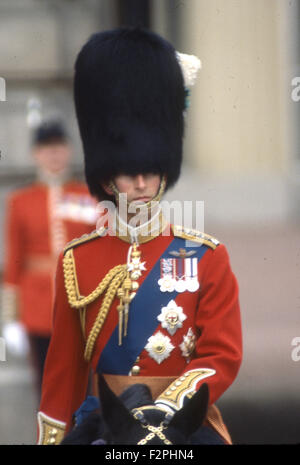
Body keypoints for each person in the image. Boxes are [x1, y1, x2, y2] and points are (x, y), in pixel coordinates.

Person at [37, 28, 242, 445]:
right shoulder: (76, 261)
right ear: (110, 177)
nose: (143, 183)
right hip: (104, 422)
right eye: (131, 173)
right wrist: (53, 435)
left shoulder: (207, 256)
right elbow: (65, 369)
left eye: (152, 171)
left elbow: (221, 355)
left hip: (181, 420)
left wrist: (169, 406)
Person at [1, 120, 98, 397]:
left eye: (58, 148)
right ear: (36, 154)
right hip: (38, 305)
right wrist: (11, 318)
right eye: (47, 149)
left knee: (83, 385)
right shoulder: (20, 201)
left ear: (67, 151)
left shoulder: (87, 196)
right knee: (46, 385)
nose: (53, 155)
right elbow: (15, 260)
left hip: (82, 301)